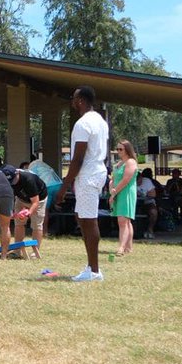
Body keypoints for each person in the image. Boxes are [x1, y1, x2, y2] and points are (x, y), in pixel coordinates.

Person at [56, 85, 110, 281]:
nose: (72, 101)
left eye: (73, 98)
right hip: (96, 171)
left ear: (80, 101)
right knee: (82, 216)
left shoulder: (82, 124)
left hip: (87, 173)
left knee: (88, 220)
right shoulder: (101, 122)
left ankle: (94, 270)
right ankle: (91, 267)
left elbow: (78, 158)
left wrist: (63, 187)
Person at [7, 163, 47, 259]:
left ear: (17, 173)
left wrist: (29, 212)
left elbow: (35, 202)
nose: (12, 183)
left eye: (13, 180)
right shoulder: (7, 180)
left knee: (36, 225)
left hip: (39, 199)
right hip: (21, 199)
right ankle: (17, 251)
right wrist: (10, 212)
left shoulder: (29, 179)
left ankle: (35, 252)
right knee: (18, 224)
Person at [110, 141, 138, 255]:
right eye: (117, 149)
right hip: (116, 192)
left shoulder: (131, 162)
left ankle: (121, 247)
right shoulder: (119, 163)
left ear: (127, 149)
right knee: (125, 222)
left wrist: (115, 192)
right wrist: (111, 190)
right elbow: (113, 178)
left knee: (123, 220)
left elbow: (126, 180)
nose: (118, 151)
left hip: (126, 193)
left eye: (121, 149)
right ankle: (128, 247)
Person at [136, 168, 159, 238]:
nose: (138, 182)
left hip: (148, 202)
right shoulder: (129, 182)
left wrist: (142, 194)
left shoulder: (147, 181)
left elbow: (153, 194)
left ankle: (150, 229)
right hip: (134, 203)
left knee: (153, 212)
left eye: (139, 180)